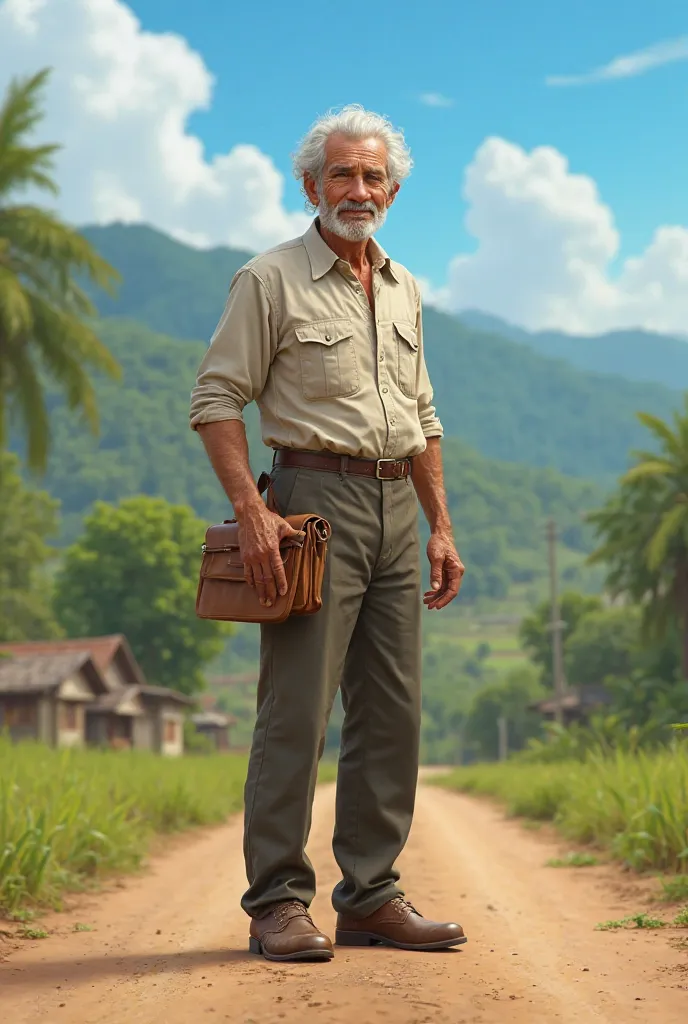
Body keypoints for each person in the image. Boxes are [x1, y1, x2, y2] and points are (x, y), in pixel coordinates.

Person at [189, 105, 466, 962]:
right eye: (341, 174)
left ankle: (371, 896)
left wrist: (440, 527)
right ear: (309, 185)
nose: (358, 189)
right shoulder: (268, 279)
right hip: (309, 505)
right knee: (297, 712)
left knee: (393, 714)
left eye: (372, 176)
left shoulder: (405, 285)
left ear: (393, 189)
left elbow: (422, 419)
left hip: (393, 510)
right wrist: (253, 511)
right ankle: (276, 901)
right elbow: (214, 400)